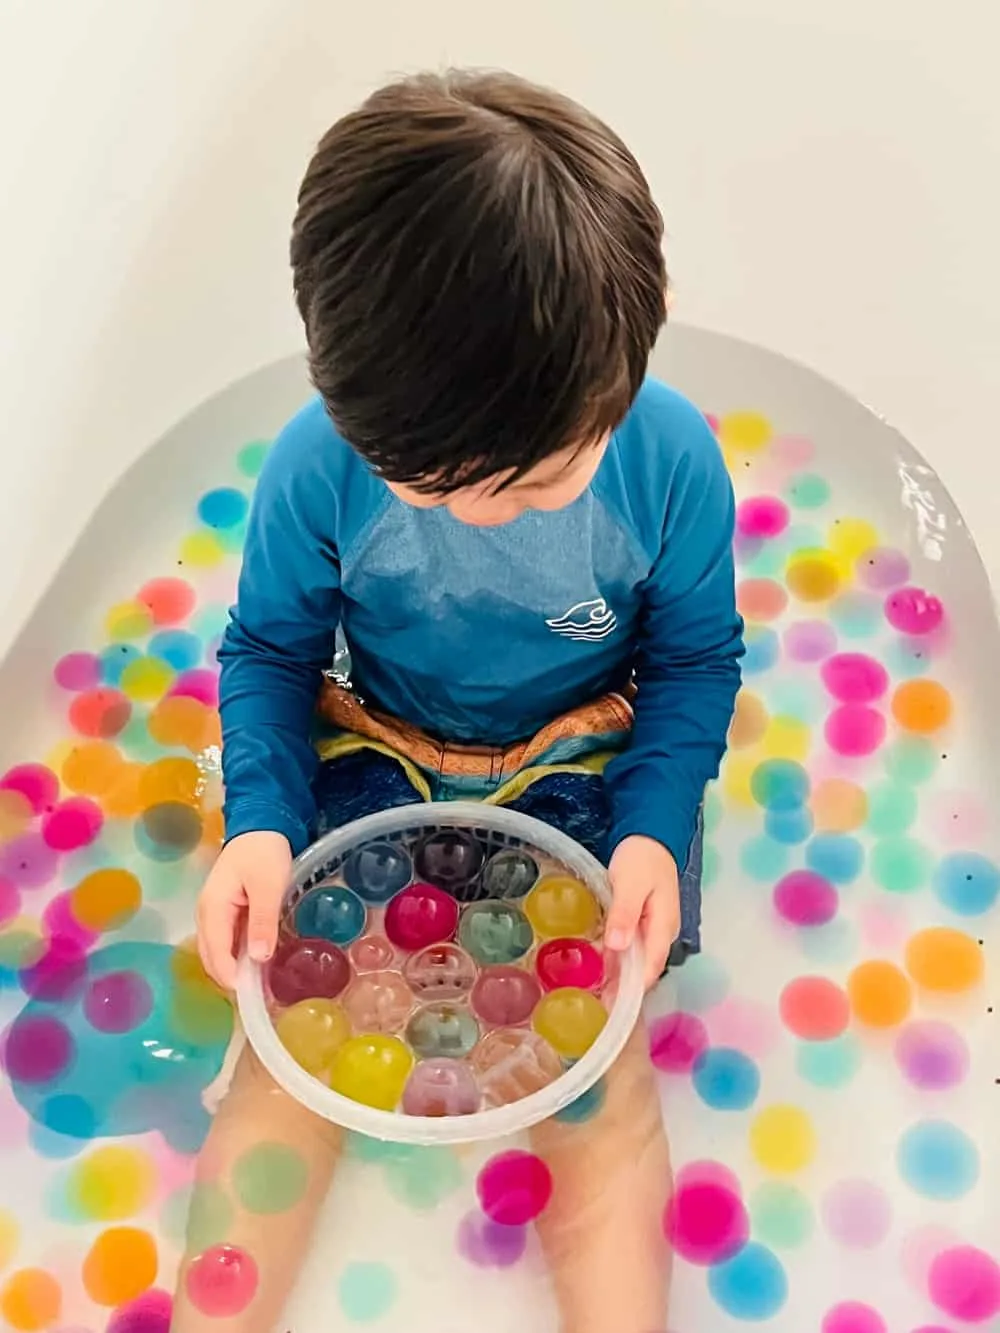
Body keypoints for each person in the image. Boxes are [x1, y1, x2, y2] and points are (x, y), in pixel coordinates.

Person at [182, 69, 743, 1333]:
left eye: (544, 481)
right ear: (347, 407)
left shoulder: (669, 463)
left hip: (583, 764)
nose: (495, 515)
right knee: (289, 1031)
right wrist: (262, 823)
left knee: (598, 1077)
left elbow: (695, 664)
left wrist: (652, 826)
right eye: (439, 490)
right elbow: (270, 652)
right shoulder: (316, 467)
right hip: (378, 737)